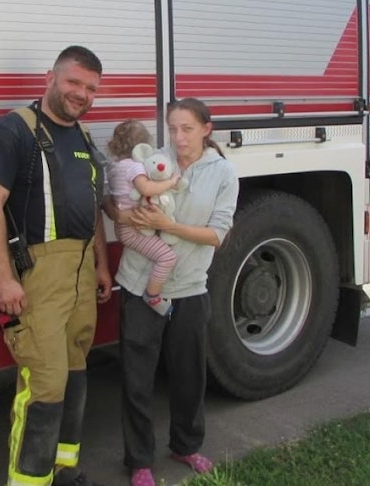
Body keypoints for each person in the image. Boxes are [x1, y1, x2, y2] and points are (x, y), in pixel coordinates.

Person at [0, 45, 113, 486]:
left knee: (75, 374)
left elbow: (93, 209)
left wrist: (102, 264)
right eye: (74, 82)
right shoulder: (13, 130)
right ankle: (28, 482)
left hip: (80, 275)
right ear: (50, 78)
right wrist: (3, 278)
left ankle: (64, 470)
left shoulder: (85, 138)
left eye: (91, 88)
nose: (82, 94)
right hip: (38, 277)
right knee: (46, 384)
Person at [104, 98, 239, 486]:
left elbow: (217, 234)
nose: (178, 137)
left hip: (190, 288)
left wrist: (169, 225)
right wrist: (121, 216)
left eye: (188, 129)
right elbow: (113, 198)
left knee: (189, 374)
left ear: (206, 129)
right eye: (173, 128)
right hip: (138, 284)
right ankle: (140, 459)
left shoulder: (224, 173)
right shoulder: (148, 159)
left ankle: (186, 445)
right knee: (137, 376)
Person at [105, 119, 181, 317]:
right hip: (133, 227)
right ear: (142, 146)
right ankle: (152, 295)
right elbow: (146, 189)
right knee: (167, 257)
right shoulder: (134, 167)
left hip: (124, 226)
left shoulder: (114, 166)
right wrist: (171, 182)